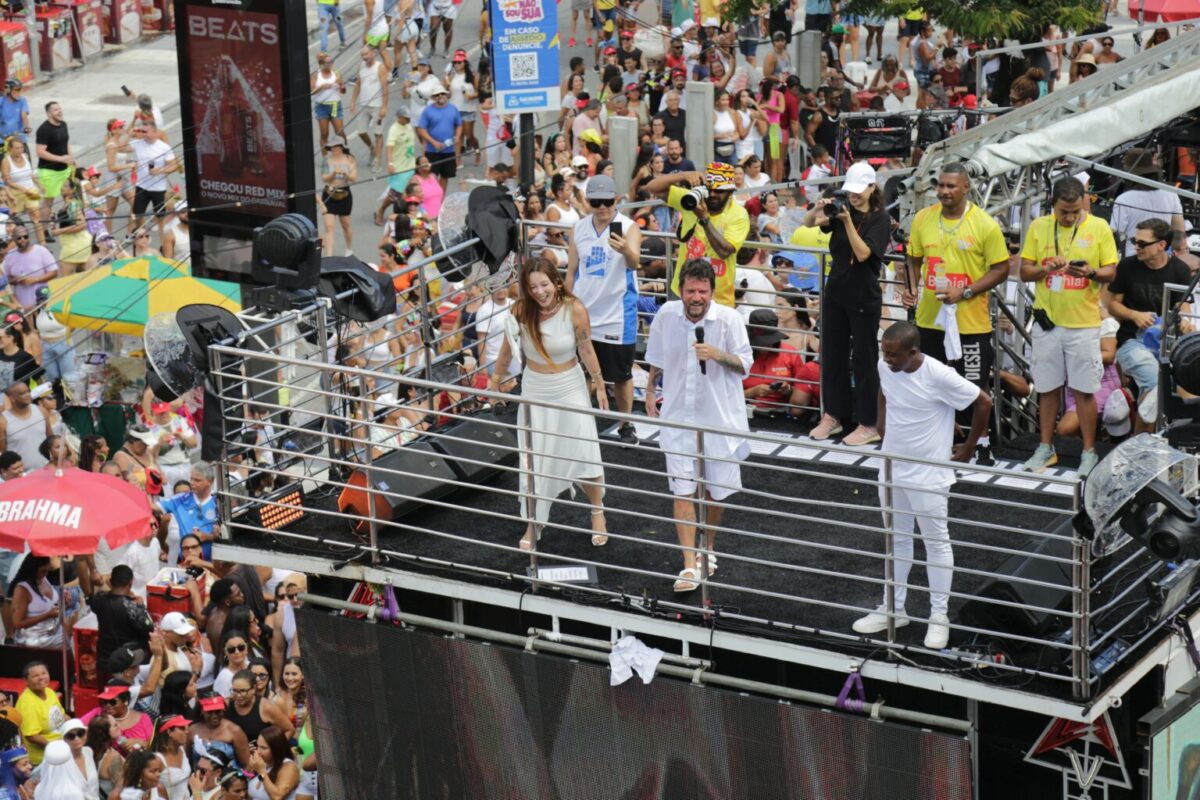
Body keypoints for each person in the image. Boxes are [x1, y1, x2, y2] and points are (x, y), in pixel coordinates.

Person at [852, 322, 991, 649]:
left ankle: (938, 616)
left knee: (936, 544)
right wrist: (881, 422)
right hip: (892, 469)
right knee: (896, 540)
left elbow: (984, 401)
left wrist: (969, 448)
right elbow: (884, 390)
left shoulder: (940, 375)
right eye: (884, 353)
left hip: (929, 475)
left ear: (913, 352)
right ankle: (893, 608)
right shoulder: (885, 365)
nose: (886, 360)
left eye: (893, 355)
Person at [645, 259, 752, 592]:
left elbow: (745, 365)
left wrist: (717, 354)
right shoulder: (666, 315)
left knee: (715, 493)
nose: (696, 297)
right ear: (681, 290)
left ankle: (708, 548)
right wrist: (649, 390)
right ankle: (689, 564)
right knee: (683, 490)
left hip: (719, 420)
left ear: (712, 291)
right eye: (691, 291)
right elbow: (656, 359)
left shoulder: (730, 320)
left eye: (703, 292)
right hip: (677, 418)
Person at [487, 258, 610, 549]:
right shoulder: (520, 311)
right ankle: (535, 521)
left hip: (570, 387)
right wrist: (495, 382)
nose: (540, 292)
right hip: (535, 389)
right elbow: (506, 352)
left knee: (585, 451)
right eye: (533, 287)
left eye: (544, 284)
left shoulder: (574, 309)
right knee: (534, 459)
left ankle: (597, 512)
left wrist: (600, 383)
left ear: (556, 282)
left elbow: (585, 347)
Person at [899, 163, 1008, 460]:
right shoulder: (923, 218)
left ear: (966, 188)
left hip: (970, 322)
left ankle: (981, 446)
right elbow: (913, 259)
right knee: (929, 382)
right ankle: (938, 439)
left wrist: (967, 291)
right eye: (941, 185)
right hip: (929, 320)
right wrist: (910, 288)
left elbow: (1001, 269)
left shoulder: (984, 224)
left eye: (951, 186)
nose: (944, 191)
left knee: (973, 386)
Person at [1018, 177, 1118, 477]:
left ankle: (1089, 452)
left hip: (1084, 325)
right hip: (1048, 324)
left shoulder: (1099, 227)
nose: (1070, 217)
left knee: (1084, 390)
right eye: (1064, 212)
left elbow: (1111, 272)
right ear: (1053, 205)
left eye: (1076, 211)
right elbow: (1025, 272)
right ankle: (1045, 447)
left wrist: (1091, 272)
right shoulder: (1039, 227)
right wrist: (1045, 268)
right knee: (1047, 388)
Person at [803, 162, 892, 443]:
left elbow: (864, 254)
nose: (853, 196)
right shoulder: (842, 208)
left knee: (865, 361)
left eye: (858, 191)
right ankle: (833, 415)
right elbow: (808, 223)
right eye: (850, 191)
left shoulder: (880, 219)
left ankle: (869, 423)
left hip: (864, 296)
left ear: (872, 187)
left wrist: (847, 221)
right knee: (832, 356)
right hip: (836, 292)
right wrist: (819, 207)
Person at [563, 175, 641, 446]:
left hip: (617, 314)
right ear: (588, 202)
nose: (602, 207)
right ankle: (581, 422)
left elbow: (635, 263)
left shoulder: (629, 228)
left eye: (607, 201)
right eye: (596, 202)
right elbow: (571, 271)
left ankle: (625, 424)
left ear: (616, 200)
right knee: (581, 371)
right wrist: (565, 306)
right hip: (583, 311)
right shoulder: (579, 228)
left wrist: (626, 250)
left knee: (621, 374)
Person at [1103, 217, 1191, 432]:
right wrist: (1134, 315)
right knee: (1158, 384)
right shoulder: (1128, 266)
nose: (1137, 247)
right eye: (1135, 241)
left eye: (1142, 243)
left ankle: (1140, 443)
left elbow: (1183, 307)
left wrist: (1186, 322)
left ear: (1161, 245)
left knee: (1153, 395)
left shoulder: (1179, 270)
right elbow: (1112, 305)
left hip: (1165, 343)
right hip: (1131, 340)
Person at [645, 162, 749, 309]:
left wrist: (703, 218)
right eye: (709, 189)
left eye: (719, 191)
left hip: (718, 298)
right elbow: (652, 187)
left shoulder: (738, 214)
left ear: (731, 192)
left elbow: (724, 251)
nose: (712, 195)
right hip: (683, 291)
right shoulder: (692, 201)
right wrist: (683, 175)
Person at [742, 309, 819, 415]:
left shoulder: (790, 353)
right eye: (759, 341)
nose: (764, 344)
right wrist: (752, 392)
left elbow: (804, 392)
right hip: (745, 410)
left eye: (768, 340)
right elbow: (727, 394)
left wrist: (788, 390)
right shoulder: (741, 354)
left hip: (782, 412)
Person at [91, 565, 154, 669]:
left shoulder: (99, 599)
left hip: (104, 658)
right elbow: (149, 629)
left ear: (110, 582)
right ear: (130, 583)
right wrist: (142, 607)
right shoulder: (132, 607)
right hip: (126, 659)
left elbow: (98, 599)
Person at [157, 463, 218, 561]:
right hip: (185, 563)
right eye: (191, 479)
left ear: (209, 481)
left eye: (197, 480)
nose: (192, 483)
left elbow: (228, 535)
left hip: (213, 564)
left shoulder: (219, 502)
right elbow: (153, 507)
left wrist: (208, 537)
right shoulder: (180, 499)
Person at [127, 120, 176, 239]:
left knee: (160, 217)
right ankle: (141, 237)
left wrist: (160, 170)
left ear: (154, 132)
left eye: (145, 131)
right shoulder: (138, 143)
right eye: (141, 131)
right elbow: (120, 148)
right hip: (142, 186)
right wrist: (128, 134)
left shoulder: (164, 147)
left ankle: (163, 242)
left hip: (158, 189)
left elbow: (174, 165)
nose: (142, 133)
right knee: (137, 215)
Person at [15, 662, 66, 765]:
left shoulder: (49, 691)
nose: (41, 677)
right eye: (35, 676)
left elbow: (62, 715)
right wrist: (54, 749)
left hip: (62, 745)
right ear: (26, 681)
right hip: (44, 759)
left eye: (44, 673)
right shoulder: (27, 703)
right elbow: (32, 736)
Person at [350, 47, 389, 172]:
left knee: (378, 133)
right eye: (362, 55)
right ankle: (372, 149)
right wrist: (353, 101)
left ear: (372, 53)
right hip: (364, 104)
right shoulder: (361, 66)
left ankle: (377, 161)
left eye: (366, 54)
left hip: (377, 105)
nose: (364, 57)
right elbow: (358, 84)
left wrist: (384, 107)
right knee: (361, 131)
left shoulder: (379, 67)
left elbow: (385, 88)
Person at [3, 222, 57, 311]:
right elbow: (7, 277)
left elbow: (54, 272)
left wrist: (34, 280)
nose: (23, 239)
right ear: (14, 239)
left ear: (29, 237)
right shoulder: (10, 256)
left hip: (43, 300)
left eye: (25, 236)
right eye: (19, 238)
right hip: (23, 304)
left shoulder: (41, 251)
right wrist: (15, 280)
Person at [415, 87, 461, 190]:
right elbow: (421, 129)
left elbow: (459, 124)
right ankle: (433, 196)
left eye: (442, 94)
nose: (440, 96)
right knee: (432, 176)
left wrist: (457, 136)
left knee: (445, 176)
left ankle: (441, 198)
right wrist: (434, 142)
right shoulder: (428, 111)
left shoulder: (453, 109)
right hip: (432, 151)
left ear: (447, 95)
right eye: (437, 95)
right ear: (433, 98)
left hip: (449, 150)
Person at [10, 556, 62, 647]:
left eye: (47, 570)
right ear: (32, 569)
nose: (45, 574)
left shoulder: (43, 579)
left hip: (57, 634)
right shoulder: (22, 589)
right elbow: (18, 623)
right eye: (42, 571)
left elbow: (51, 606)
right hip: (35, 641)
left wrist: (63, 603)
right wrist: (46, 615)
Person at [189, 697, 251, 771]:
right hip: (199, 777)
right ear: (202, 711)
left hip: (228, 776)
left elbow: (246, 764)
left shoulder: (234, 731)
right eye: (210, 712)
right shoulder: (192, 730)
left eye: (218, 711)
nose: (214, 716)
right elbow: (187, 760)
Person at [319, 142, 357, 257]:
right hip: (329, 193)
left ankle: (349, 248)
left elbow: (354, 178)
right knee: (329, 226)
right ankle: (329, 255)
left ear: (341, 147)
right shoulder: (327, 160)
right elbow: (324, 178)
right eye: (331, 147)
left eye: (335, 147)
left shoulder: (349, 159)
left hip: (344, 193)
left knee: (346, 224)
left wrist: (346, 174)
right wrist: (333, 173)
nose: (333, 149)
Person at [34, 102, 72, 217]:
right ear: (49, 113)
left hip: (65, 168)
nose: (60, 111)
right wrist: (60, 159)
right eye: (55, 110)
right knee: (48, 201)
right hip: (49, 171)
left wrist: (71, 158)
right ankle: (45, 227)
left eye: (60, 109)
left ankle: (71, 220)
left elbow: (66, 142)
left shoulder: (63, 124)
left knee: (69, 195)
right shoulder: (44, 129)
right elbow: (40, 152)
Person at [246, 726, 299, 800]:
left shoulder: (289, 766)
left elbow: (277, 797)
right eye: (258, 746)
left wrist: (261, 771)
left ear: (276, 749)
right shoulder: (261, 764)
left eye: (263, 748)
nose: (258, 751)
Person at [84, 715, 124, 800]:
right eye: (115, 725)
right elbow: (119, 790)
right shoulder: (113, 757)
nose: (119, 726)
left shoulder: (87, 751)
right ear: (105, 733)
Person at [151, 715, 190, 800]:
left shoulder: (182, 748)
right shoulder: (157, 759)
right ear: (169, 732)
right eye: (182, 728)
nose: (187, 732)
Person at [59, 718, 98, 800]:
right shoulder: (61, 762)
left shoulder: (88, 751)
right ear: (64, 740)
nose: (77, 738)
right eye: (71, 736)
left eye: (80, 733)